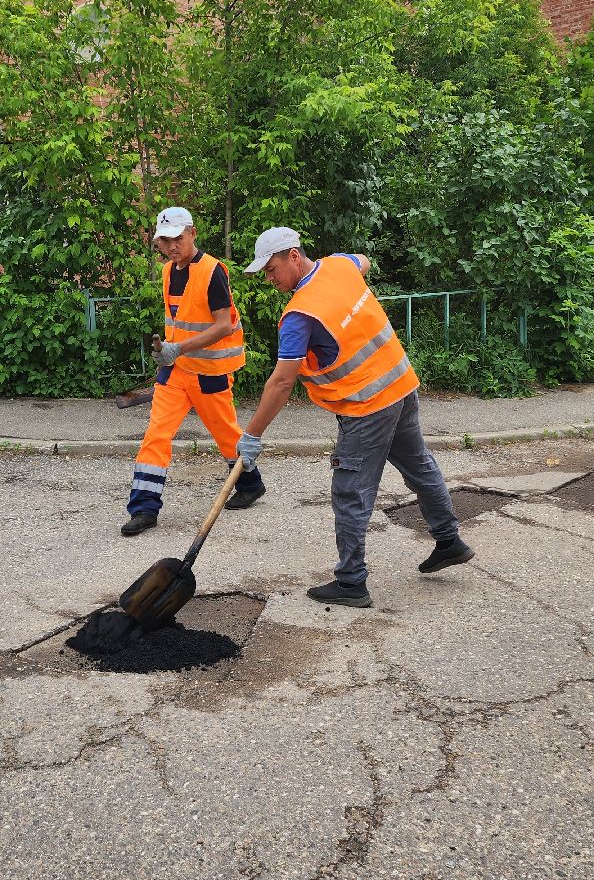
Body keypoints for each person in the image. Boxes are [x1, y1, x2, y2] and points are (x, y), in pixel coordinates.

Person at [235, 226, 472, 607]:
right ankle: (449, 541)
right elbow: (365, 261)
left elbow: (281, 383)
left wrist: (253, 434)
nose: (269, 278)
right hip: (400, 384)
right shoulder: (338, 265)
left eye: (272, 268)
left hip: (366, 406)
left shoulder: (299, 315)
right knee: (420, 467)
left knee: (350, 492)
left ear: (294, 256)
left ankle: (351, 583)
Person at [122, 207, 267, 536]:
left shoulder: (213, 271)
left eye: (178, 238)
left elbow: (223, 325)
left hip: (210, 371)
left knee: (227, 433)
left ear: (193, 234)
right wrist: (168, 352)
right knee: (156, 435)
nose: (172, 245)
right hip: (175, 371)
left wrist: (179, 348)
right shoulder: (167, 272)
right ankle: (144, 508)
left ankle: (251, 484)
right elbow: (179, 322)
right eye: (165, 240)